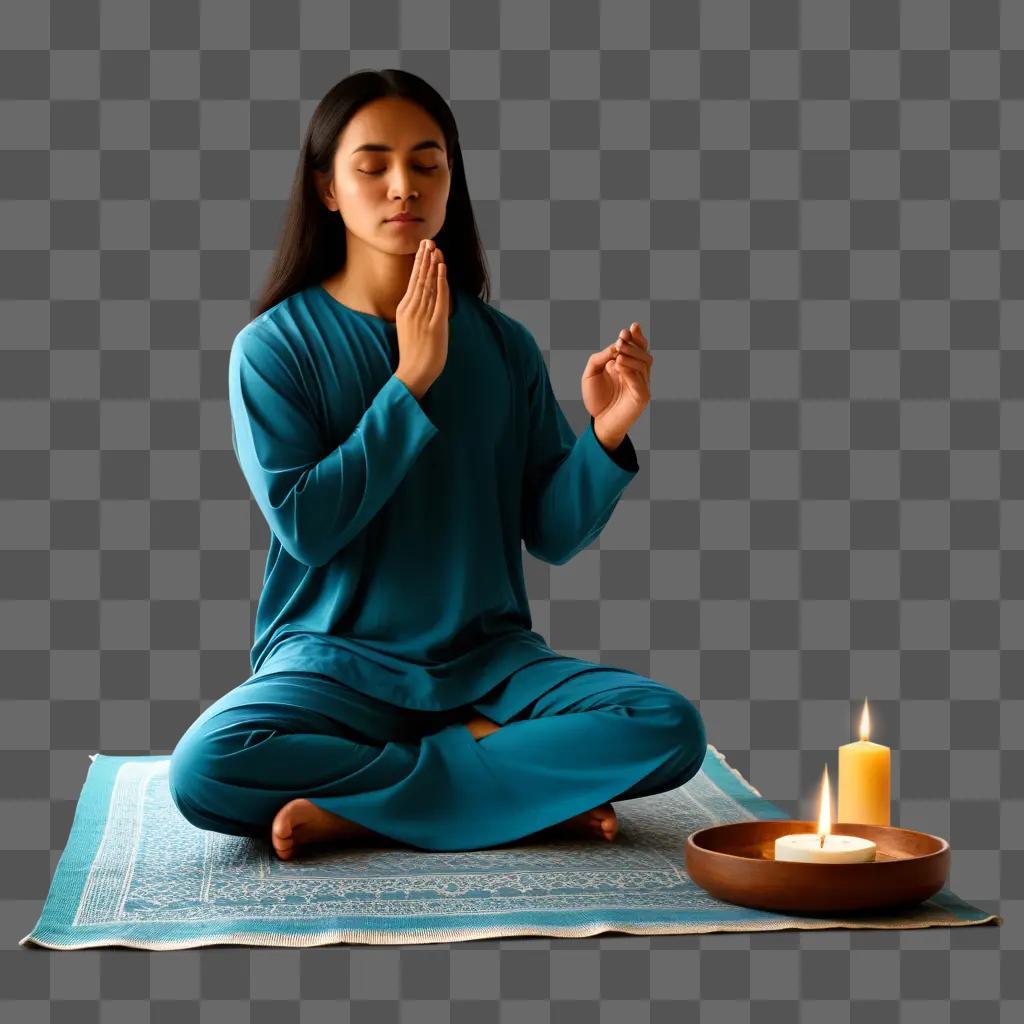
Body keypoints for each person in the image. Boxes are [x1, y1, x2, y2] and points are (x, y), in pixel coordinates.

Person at [168, 69, 707, 860]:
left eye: (427, 163)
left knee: (667, 727)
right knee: (208, 767)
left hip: (488, 668)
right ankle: (513, 793)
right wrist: (410, 380)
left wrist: (605, 431)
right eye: (372, 164)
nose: (402, 187)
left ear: (452, 179)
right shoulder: (274, 348)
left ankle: (356, 811)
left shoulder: (503, 345)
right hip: (333, 665)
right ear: (326, 188)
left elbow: (551, 534)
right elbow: (309, 527)